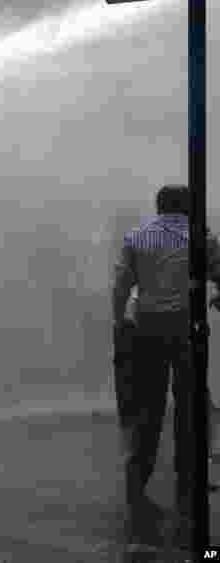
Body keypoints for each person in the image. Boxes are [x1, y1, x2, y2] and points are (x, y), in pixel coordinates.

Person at [112, 184, 220, 543]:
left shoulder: (137, 236)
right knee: (189, 408)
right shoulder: (199, 237)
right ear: (187, 207)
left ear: (158, 206)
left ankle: (136, 488)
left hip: (147, 330)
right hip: (186, 329)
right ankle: (187, 488)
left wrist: (120, 322)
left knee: (148, 408)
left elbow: (121, 286)